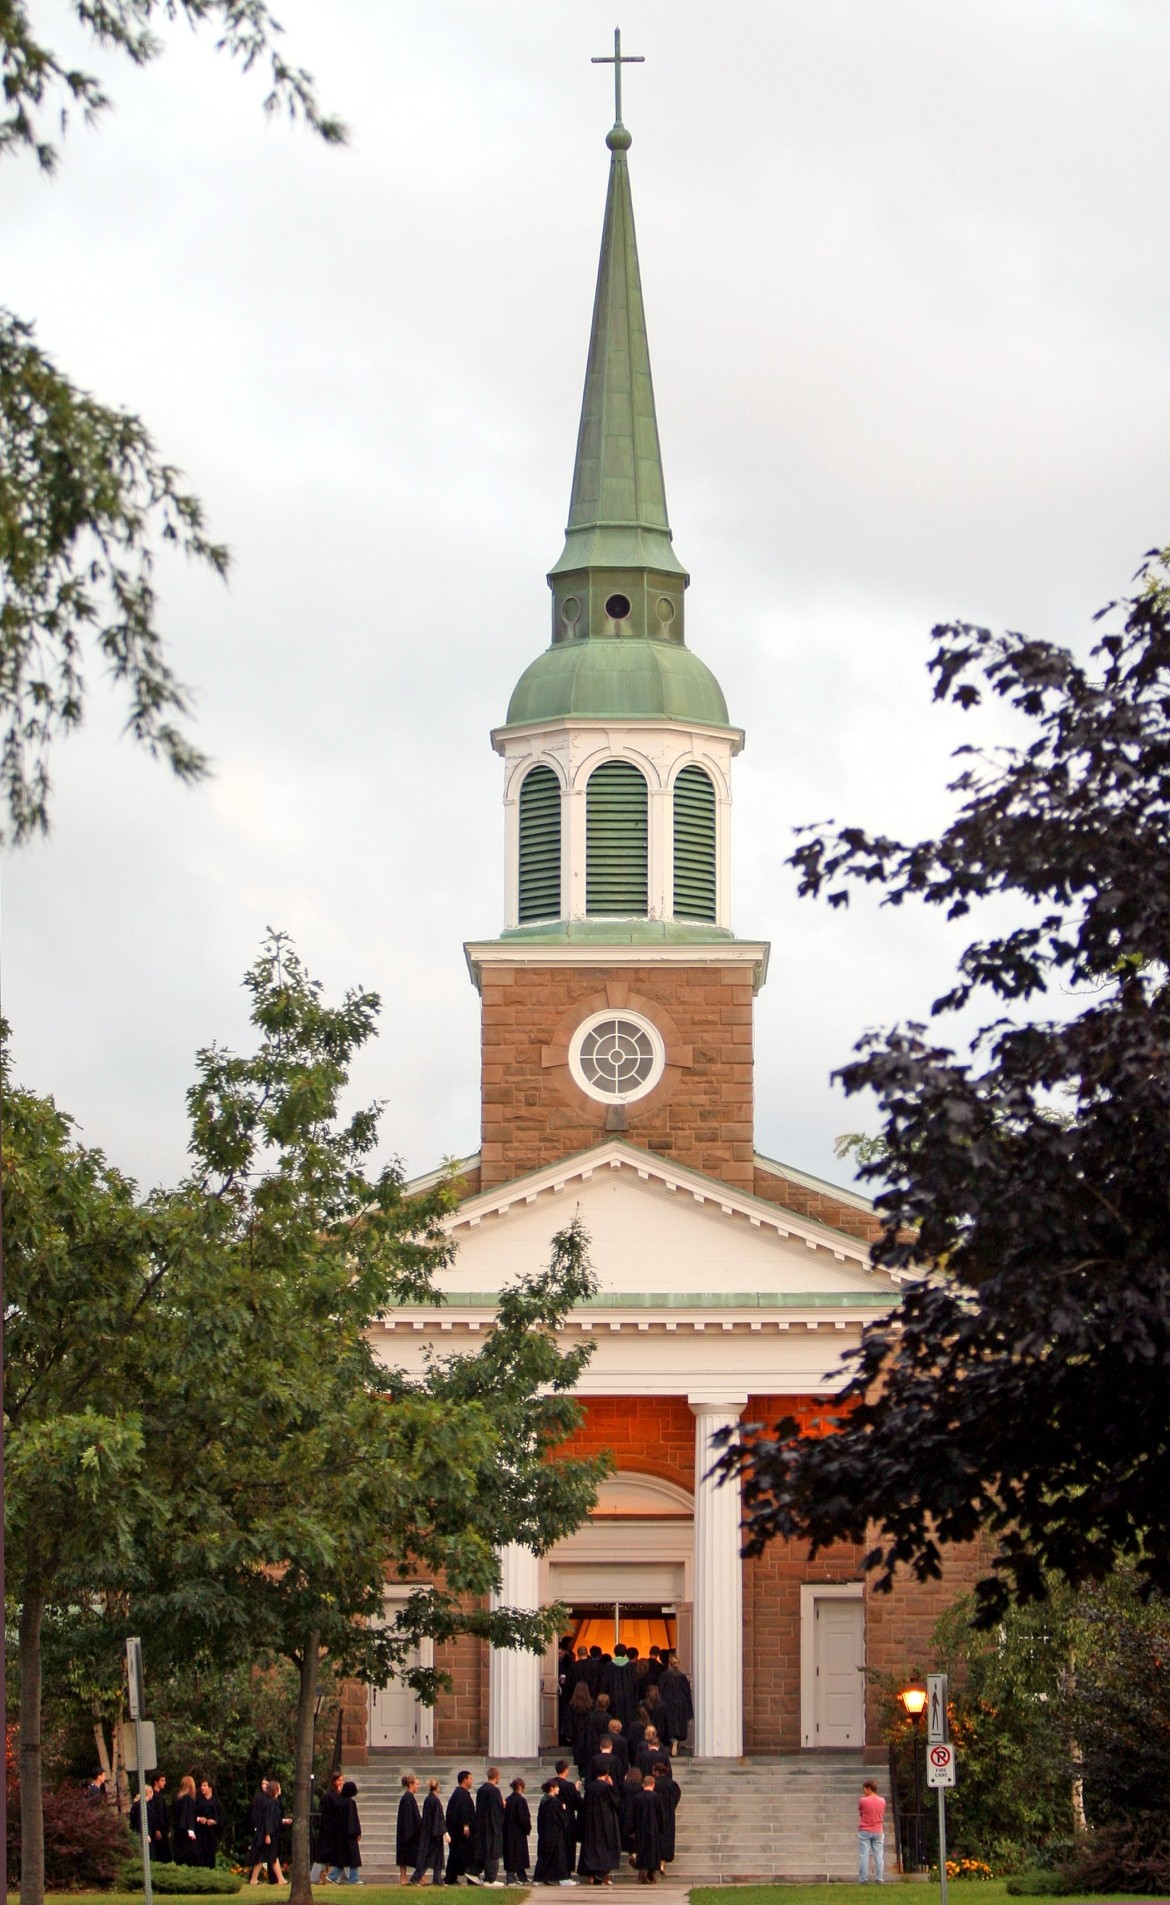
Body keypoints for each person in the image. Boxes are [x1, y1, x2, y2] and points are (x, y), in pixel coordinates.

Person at [577, 1774, 621, 1887]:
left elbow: (584, 1805)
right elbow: (616, 1802)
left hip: (592, 1820)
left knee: (593, 1847)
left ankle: (592, 1874)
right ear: (606, 1775)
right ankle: (602, 1874)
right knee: (606, 1847)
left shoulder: (590, 1788)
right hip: (606, 1821)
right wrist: (612, 1785)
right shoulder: (607, 1787)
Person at [533, 1779, 573, 1887]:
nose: (559, 1789)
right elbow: (561, 1819)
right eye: (557, 1787)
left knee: (544, 1856)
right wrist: (564, 1810)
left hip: (545, 1833)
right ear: (552, 1788)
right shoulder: (555, 1802)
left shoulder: (544, 1801)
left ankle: (539, 1877)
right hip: (555, 1834)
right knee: (558, 1857)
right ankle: (561, 1878)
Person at [410, 1777, 447, 1887]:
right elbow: (438, 1818)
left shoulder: (428, 1799)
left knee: (433, 1857)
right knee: (429, 1857)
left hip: (429, 1832)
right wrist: (442, 1832)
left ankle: (437, 1878)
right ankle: (417, 1877)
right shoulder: (434, 1800)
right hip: (433, 1833)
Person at [656, 1653, 693, 1757]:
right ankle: (676, 1742)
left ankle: (672, 1741)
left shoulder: (664, 1676)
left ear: (669, 1663)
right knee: (679, 1725)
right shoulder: (682, 1677)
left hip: (668, 1704)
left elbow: (660, 1690)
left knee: (669, 1725)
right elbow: (687, 1693)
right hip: (681, 1704)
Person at [445, 1770, 477, 1886]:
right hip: (460, 1833)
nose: (471, 1781)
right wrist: (466, 1825)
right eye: (470, 1778)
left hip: (457, 1832)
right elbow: (463, 1811)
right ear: (464, 1779)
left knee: (456, 1854)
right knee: (464, 1855)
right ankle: (467, 1877)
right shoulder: (461, 1794)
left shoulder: (459, 1794)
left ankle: (451, 1877)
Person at [328, 1779, 362, 1886]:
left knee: (343, 1858)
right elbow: (353, 1819)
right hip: (350, 1835)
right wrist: (357, 1832)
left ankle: (332, 1876)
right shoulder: (351, 1803)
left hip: (341, 1835)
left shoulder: (340, 1802)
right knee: (353, 1857)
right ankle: (353, 1878)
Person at [475, 1768, 506, 1887]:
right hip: (493, 1826)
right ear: (496, 1776)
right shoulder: (494, 1791)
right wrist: (503, 1805)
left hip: (482, 1825)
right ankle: (490, 1878)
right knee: (493, 1852)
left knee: (485, 1851)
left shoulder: (481, 1790)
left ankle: (486, 1876)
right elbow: (496, 1809)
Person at [313, 1772, 345, 1883]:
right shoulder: (328, 1796)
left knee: (336, 1854)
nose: (341, 1782)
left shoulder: (339, 1795)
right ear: (334, 1782)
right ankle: (316, 1877)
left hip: (336, 1829)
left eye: (342, 1780)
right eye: (339, 1780)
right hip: (328, 1830)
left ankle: (336, 1877)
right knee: (323, 1854)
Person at [550, 1761, 581, 1874]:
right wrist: (576, 1790)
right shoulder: (569, 1786)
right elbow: (578, 1802)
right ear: (566, 1770)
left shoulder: (551, 1784)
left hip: (553, 1818)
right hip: (567, 1818)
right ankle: (566, 1872)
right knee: (568, 1846)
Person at [248, 1777, 281, 1885]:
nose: (280, 1789)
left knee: (267, 1856)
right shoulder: (270, 1803)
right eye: (278, 1787)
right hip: (267, 1833)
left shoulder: (274, 1802)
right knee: (265, 1856)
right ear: (275, 1789)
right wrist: (267, 1834)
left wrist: (282, 1821)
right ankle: (279, 1879)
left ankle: (279, 1879)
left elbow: (274, 1818)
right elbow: (268, 1818)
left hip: (270, 1832)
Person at [630, 1775, 662, 1885]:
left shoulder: (637, 1798)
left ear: (643, 1784)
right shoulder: (658, 1797)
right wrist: (662, 1828)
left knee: (642, 1851)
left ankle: (646, 1875)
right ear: (653, 1785)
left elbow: (632, 1815)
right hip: (654, 1828)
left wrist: (631, 1829)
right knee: (653, 1852)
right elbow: (661, 1815)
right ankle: (649, 1875)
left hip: (640, 1829)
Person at [650, 1763, 680, 1875]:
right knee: (667, 1837)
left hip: (655, 1814)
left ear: (656, 1771)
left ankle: (655, 1862)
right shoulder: (672, 1785)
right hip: (668, 1814)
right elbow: (677, 1796)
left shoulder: (653, 1784)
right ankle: (663, 1861)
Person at [503, 1778, 531, 1885]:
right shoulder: (521, 1800)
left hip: (508, 1831)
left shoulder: (508, 1800)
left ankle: (521, 1876)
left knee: (511, 1854)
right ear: (520, 1787)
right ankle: (512, 1878)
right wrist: (527, 1828)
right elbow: (524, 1818)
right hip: (519, 1832)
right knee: (518, 1854)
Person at [858, 1779, 887, 1884]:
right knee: (879, 1855)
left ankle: (863, 1878)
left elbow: (861, 1812)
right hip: (878, 1829)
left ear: (869, 1788)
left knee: (864, 1855)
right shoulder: (882, 1801)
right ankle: (879, 1878)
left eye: (865, 1789)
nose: (864, 1791)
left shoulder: (863, 1800)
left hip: (865, 1829)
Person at [397, 1774, 423, 1885]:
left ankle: (416, 1877)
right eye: (417, 1784)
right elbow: (408, 1817)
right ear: (410, 1784)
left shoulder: (409, 1797)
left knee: (407, 1854)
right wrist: (412, 1833)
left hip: (409, 1831)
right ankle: (405, 1877)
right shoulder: (408, 1798)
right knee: (408, 1854)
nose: (419, 1786)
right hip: (408, 1832)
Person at [567, 1680, 595, 1780]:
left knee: (579, 1756)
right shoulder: (591, 1704)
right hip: (589, 1734)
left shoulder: (572, 1705)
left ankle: (581, 1775)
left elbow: (569, 1721)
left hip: (577, 1734)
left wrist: (569, 1735)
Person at [195, 1777, 225, 1869]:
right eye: (201, 1785)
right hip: (200, 1834)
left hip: (211, 1835)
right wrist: (199, 1819)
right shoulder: (198, 1800)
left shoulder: (216, 1802)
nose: (202, 1787)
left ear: (210, 1787)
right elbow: (192, 1815)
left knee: (210, 1857)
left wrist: (214, 1822)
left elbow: (221, 1819)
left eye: (205, 1785)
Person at [172, 1775, 200, 1865]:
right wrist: (191, 1830)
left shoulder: (178, 1798)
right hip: (186, 1834)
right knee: (190, 1857)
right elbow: (187, 1815)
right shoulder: (187, 1798)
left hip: (178, 1832)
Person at [619, 1768, 643, 1859]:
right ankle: (634, 1852)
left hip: (624, 1811)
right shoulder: (640, 1787)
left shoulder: (624, 1785)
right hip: (636, 1812)